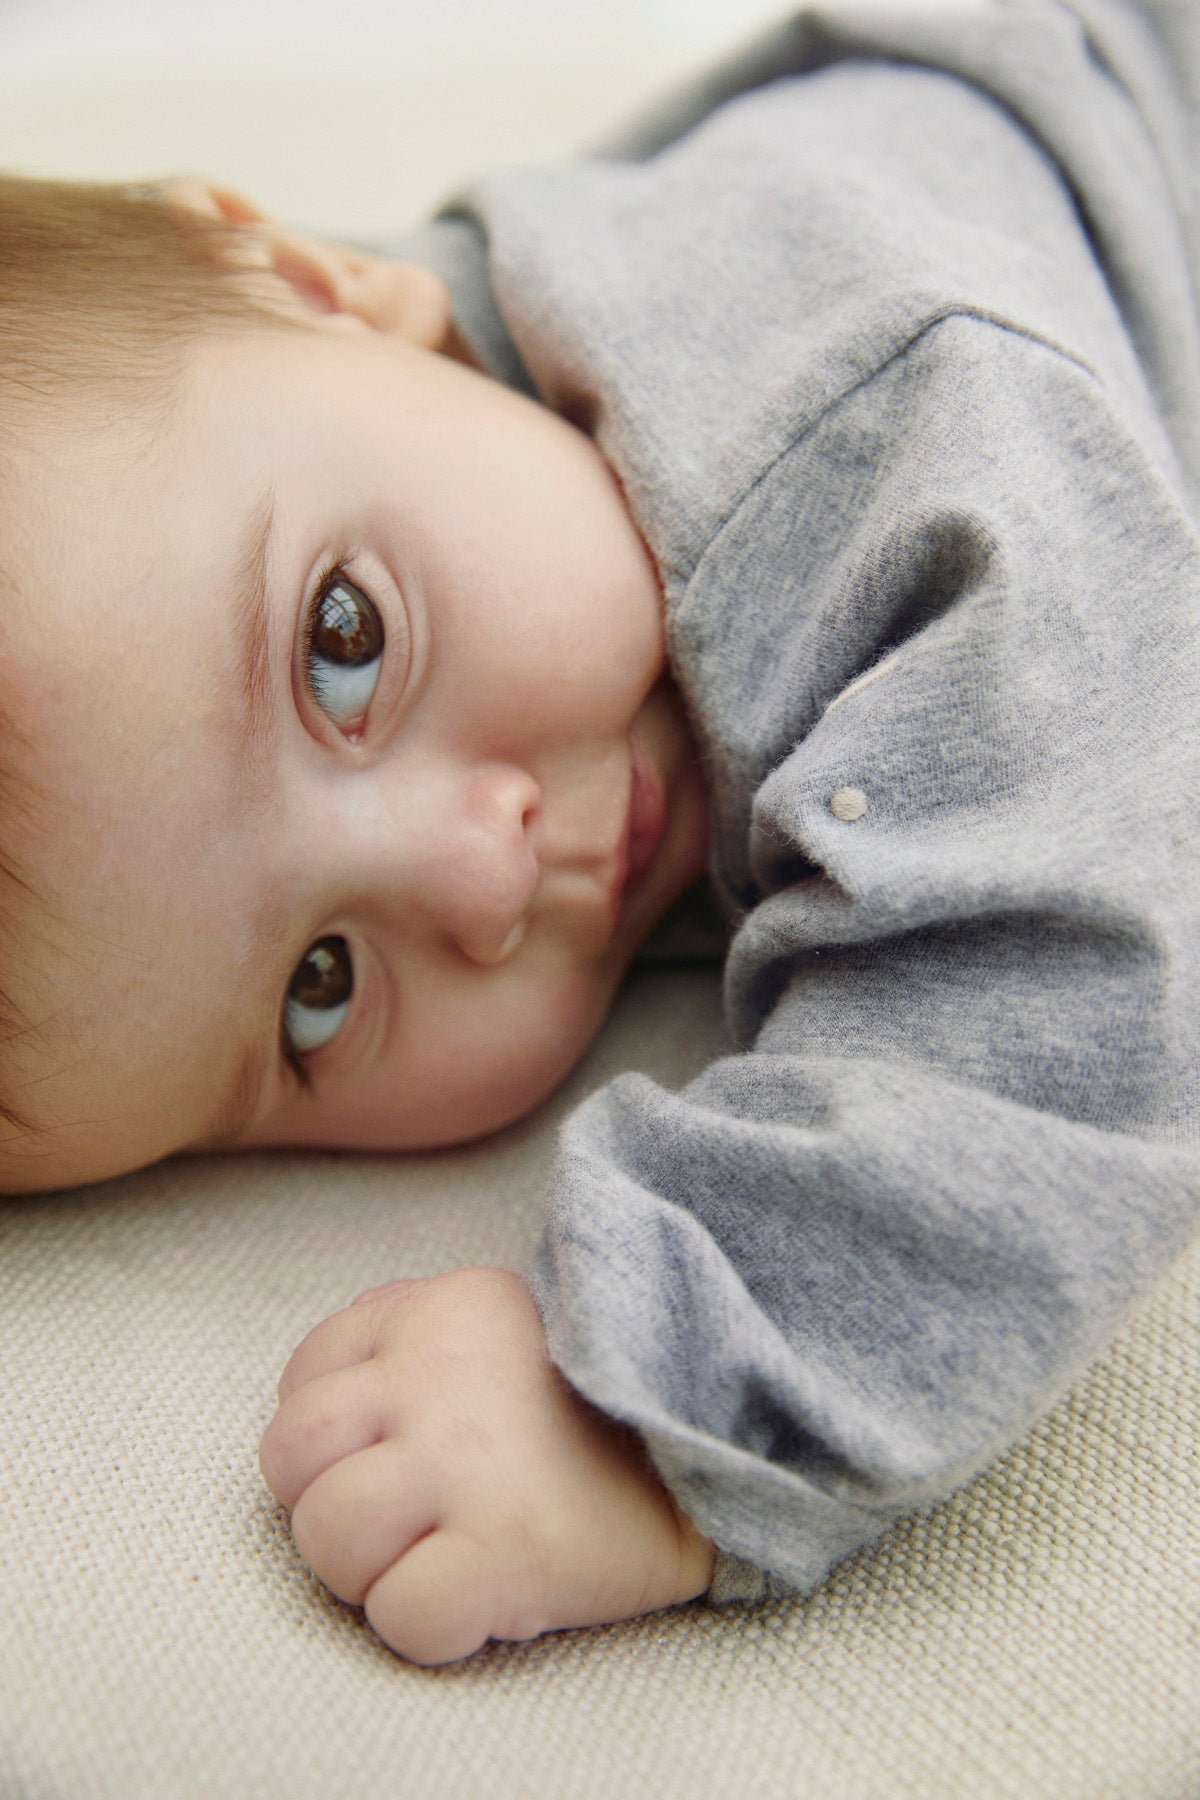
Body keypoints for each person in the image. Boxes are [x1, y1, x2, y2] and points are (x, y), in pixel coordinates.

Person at [1, 0, 1199, 1665]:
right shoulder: (316, 459)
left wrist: (659, 1394)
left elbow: (1065, 974)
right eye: (317, 991)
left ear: (324, 285)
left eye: (344, 643)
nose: (483, 876)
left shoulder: (879, 421)